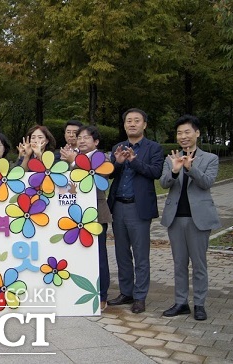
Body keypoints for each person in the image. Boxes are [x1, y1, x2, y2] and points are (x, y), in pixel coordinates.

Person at [160, 115, 220, 321]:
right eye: (179, 133)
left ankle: (200, 304)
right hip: (175, 218)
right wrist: (175, 171)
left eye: (187, 132)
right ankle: (181, 303)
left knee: (199, 264)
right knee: (179, 263)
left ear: (197, 133)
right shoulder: (171, 158)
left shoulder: (210, 158)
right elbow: (164, 184)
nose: (183, 136)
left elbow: (206, 183)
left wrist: (189, 168)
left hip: (199, 220)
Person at [107, 108, 164, 314]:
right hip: (118, 206)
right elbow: (110, 175)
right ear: (124, 125)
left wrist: (134, 160)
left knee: (141, 255)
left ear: (144, 125)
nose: (132, 124)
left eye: (136, 121)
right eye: (128, 121)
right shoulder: (117, 147)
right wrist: (118, 163)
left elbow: (155, 172)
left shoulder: (154, 148)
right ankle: (126, 292)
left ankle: (140, 297)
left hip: (138, 208)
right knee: (121, 253)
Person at [75, 126, 112, 310]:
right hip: (76, 216)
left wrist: (74, 162)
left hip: (97, 213)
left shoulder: (102, 159)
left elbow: (97, 178)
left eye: (86, 138)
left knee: (99, 256)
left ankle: (102, 295)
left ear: (96, 142)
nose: (81, 141)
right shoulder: (73, 158)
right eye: (79, 137)